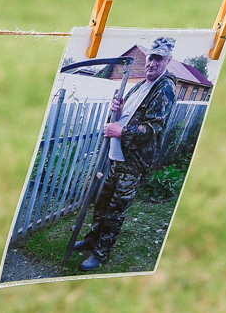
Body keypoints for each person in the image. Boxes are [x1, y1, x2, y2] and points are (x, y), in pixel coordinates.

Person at [71, 38, 179, 273]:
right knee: (102, 203)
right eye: (151, 57)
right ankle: (92, 240)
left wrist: (121, 130)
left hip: (132, 163)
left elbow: (153, 129)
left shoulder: (165, 88)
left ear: (168, 61)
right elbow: (129, 114)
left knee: (116, 209)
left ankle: (101, 252)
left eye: (159, 58)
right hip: (116, 157)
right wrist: (119, 110)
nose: (152, 62)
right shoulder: (141, 85)